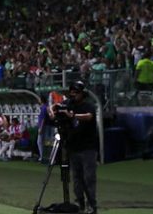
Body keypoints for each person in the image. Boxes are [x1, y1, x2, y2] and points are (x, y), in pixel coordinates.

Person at [51, 80, 98, 214]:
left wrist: (73, 116)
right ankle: (80, 203)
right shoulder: (68, 104)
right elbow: (55, 107)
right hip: (73, 147)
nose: (73, 95)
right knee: (76, 178)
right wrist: (54, 110)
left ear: (82, 94)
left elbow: (89, 117)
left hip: (88, 147)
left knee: (89, 178)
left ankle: (91, 205)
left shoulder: (88, 105)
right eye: (72, 92)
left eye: (76, 92)